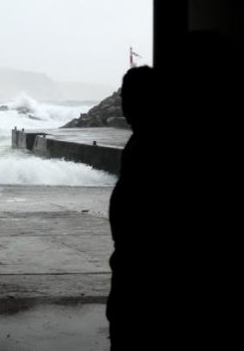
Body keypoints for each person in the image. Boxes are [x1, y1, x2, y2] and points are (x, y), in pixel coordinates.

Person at [106, 65, 165, 348]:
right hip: (130, 258)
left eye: (130, 98)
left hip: (140, 265)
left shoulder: (153, 141)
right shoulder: (144, 137)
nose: (125, 106)